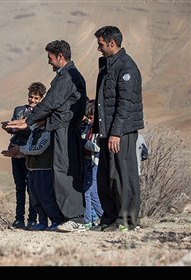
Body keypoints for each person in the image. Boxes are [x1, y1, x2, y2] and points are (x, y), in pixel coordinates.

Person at [6, 40, 87, 232]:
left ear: (60, 56)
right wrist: (31, 120)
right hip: (60, 128)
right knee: (61, 172)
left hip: (65, 130)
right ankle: (67, 218)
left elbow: (50, 102)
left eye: (50, 58)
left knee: (65, 172)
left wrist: (29, 121)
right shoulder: (64, 76)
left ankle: (76, 218)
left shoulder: (68, 77)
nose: (49, 62)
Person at [92, 26, 144, 232]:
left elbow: (125, 103)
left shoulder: (126, 68)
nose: (99, 49)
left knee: (123, 175)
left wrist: (116, 132)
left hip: (121, 132)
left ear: (112, 43)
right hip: (107, 131)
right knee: (106, 176)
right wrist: (101, 131)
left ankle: (126, 220)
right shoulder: (108, 66)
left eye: (101, 45)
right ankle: (110, 218)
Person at [1, 82, 46, 230]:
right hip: (16, 152)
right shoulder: (19, 110)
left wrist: (22, 126)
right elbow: (15, 130)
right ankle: (19, 219)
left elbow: (34, 130)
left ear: (41, 99)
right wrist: (9, 128)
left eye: (36, 98)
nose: (32, 100)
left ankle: (32, 219)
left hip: (29, 153)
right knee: (19, 188)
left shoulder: (42, 113)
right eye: (31, 97)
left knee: (32, 189)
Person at [2, 120, 61, 231]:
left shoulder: (47, 132)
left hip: (44, 169)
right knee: (35, 198)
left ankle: (55, 221)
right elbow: (28, 146)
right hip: (32, 169)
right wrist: (16, 153)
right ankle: (42, 222)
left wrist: (20, 149)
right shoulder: (34, 132)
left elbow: (38, 149)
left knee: (46, 197)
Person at [81, 100, 103, 230]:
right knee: (89, 192)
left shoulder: (100, 129)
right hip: (87, 161)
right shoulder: (89, 127)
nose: (89, 120)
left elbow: (97, 148)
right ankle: (92, 219)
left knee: (90, 192)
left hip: (95, 163)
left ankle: (99, 217)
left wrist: (82, 142)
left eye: (91, 118)